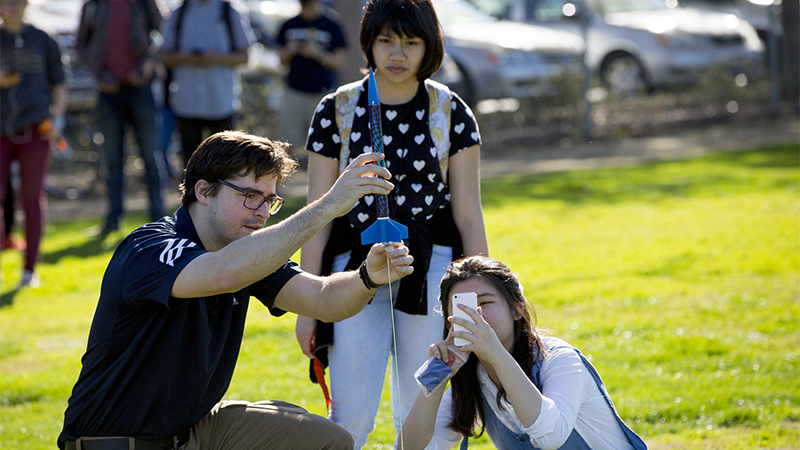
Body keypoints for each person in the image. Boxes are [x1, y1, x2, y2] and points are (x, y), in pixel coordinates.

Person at [58, 130, 415, 450]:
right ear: (203, 190)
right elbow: (223, 273)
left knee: (326, 440)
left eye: (270, 200)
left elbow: (324, 300)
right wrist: (326, 208)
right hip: (117, 440)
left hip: (194, 431)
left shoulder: (246, 252)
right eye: (250, 195)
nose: (262, 212)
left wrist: (367, 276)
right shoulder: (150, 247)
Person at [295, 0, 488, 447]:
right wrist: (308, 305)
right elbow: (318, 215)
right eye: (385, 41)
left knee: (431, 411)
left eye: (410, 42)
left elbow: (467, 214)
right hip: (352, 270)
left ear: (430, 46)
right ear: (369, 42)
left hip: (435, 270)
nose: (397, 54)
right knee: (349, 415)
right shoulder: (336, 110)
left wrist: (479, 294)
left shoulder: (450, 111)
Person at [399, 256, 649, 450]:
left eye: (485, 303)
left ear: (517, 309)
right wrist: (438, 377)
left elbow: (551, 436)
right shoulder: (472, 376)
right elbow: (410, 448)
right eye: (462, 308)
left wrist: (496, 354)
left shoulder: (559, 358)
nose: (477, 316)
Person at [75, 0, 167, 237]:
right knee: (113, 160)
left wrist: (147, 64)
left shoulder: (144, 3)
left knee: (150, 156)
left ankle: (160, 219)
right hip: (108, 92)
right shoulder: (93, 5)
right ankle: (113, 219)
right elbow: (81, 46)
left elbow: (166, 33)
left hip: (141, 89)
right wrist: (98, 75)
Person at [0, 0, 66, 287]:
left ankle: (29, 270)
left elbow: (59, 83)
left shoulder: (44, 37)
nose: (12, 7)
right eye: (7, 2)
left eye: (17, 1)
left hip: (35, 129)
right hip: (1, 128)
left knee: (32, 198)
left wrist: (58, 122)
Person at [159, 0, 254, 169]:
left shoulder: (230, 10)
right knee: (190, 167)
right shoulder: (178, 12)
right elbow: (164, 55)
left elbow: (245, 56)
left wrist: (216, 58)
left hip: (221, 101)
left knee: (225, 166)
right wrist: (186, 58)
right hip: (186, 102)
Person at [276, 0, 346, 158]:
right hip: (294, 92)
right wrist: (290, 50)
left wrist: (317, 53)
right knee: (286, 143)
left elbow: (339, 63)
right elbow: (280, 59)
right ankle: (285, 180)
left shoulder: (331, 25)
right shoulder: (289, 24)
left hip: (323, 94)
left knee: (326, 142)